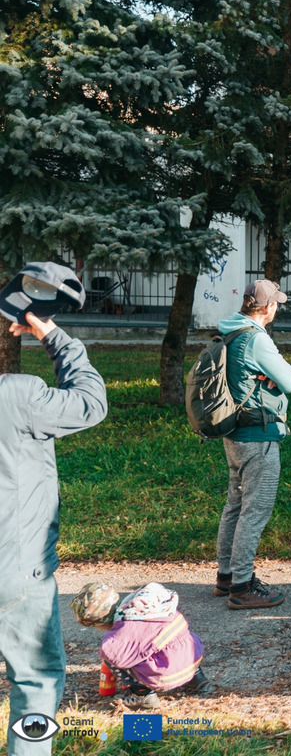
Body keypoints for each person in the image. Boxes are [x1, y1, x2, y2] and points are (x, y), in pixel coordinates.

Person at [0, 312, 107, 756]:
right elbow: (90, 401)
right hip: (16, 570)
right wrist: (52, 336)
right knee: (36, 681)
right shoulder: (14, 396)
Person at [213, 280, 291, 609]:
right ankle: (243, 586)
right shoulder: (256, 339)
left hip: (234, 432)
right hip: (257, 434)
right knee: (254, 510)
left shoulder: (231, 331)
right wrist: (276, 375)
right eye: (276, 302)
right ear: (267, 307)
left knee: (235, 505)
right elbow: (290, 380)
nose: (277, 306)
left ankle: (226, 576)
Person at [71, 582, 210, 710]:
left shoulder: (120, 633)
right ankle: (197, 680)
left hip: (166, 676)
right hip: (192, 659)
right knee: (170, 639)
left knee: (111, 658)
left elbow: (118, 659)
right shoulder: (146, 607)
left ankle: (142, 695)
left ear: (98, 622)